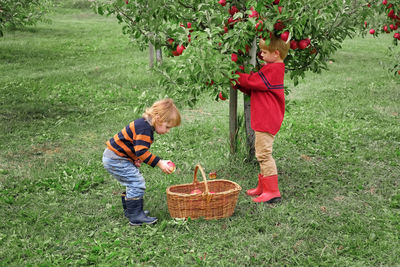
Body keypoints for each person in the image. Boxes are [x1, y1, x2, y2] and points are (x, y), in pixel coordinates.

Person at [102, 98, 181, 225]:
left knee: (132, 181)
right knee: (136, 182)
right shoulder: (144, 129)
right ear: (158, 118)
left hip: (115, 156)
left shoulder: (144, 125)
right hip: (115, 159)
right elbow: (142, 152)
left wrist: (134, 159)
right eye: (167, 127)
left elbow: (134, 146)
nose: (168, 131)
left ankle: (131, 211)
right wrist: (159, 163)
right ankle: (135, 216)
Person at [235, 34, 290, 203]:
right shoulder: (271, 68)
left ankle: (272, 191)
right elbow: (255, 88)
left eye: (265, 52)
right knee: (261, 153)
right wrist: (236, 82)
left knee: (264, 154)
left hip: (267, 119)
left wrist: (234, 75)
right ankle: (263, 186)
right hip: (265, 118)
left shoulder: (273, 69)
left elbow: (253, 82)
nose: (261, 55)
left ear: (276, 54)